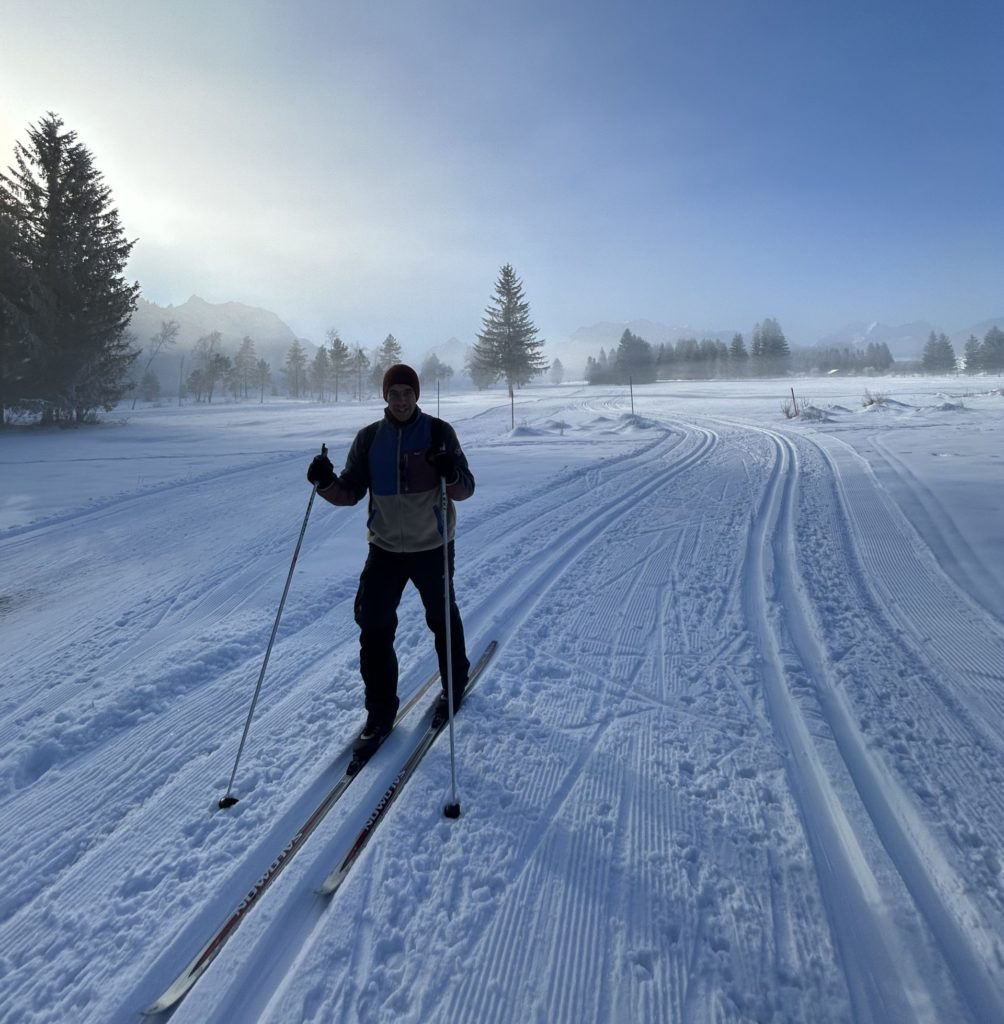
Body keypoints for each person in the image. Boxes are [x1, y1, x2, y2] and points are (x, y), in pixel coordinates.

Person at [307, 363, 474, 754]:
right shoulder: (369, 440)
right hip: (383, 549)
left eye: (407, 393)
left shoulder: (438, 431)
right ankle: (380, 712)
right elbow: (349, 492)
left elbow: (466, 488)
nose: (401, 400)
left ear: (416, 395)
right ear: (386, 397)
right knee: (373, 626)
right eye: (394, 393)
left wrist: (449, 471)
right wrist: (325, 482)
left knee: (441, 617)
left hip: (431, 546)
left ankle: (454, 684)